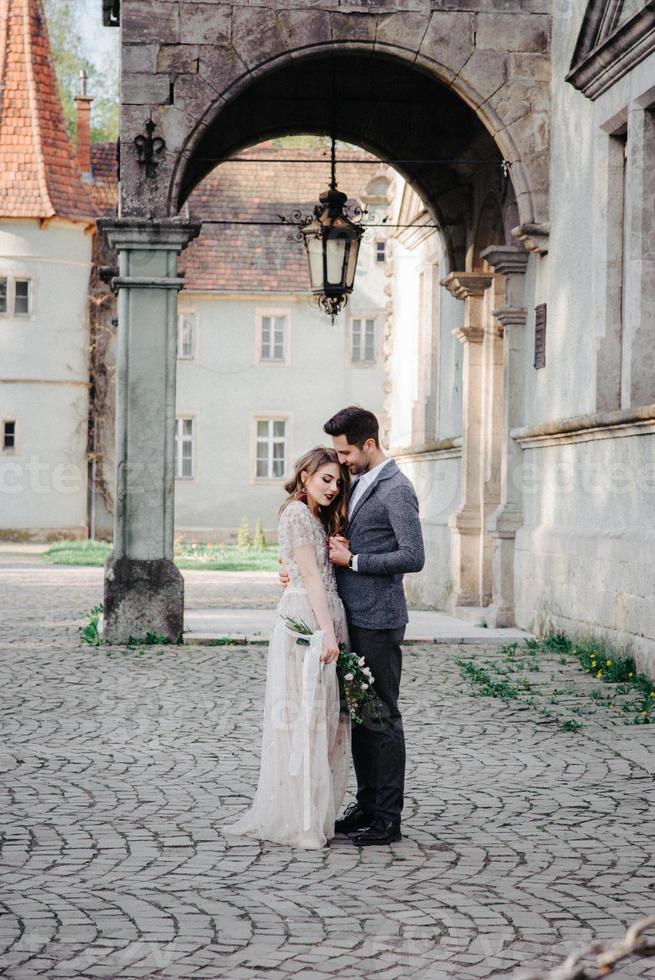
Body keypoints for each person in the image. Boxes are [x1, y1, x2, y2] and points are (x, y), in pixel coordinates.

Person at [281, 406, 425, 846]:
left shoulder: (397, 489)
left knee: (382, 715)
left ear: (368, 445)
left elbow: (413, 556)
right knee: (359, 717)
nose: (340, 463)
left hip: (379, 620)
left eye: (346, 453)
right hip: (350, 617)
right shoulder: (360, 483)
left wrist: (354, 560)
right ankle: (366, 803)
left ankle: (387, 818)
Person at [223, 447, 352, 849]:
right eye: (325, 479)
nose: (332, 488)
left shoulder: (317, 516)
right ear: (306, 476)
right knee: (304, 719)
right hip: (306, 621)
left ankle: (315, 812)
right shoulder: (297, 514)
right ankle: (301, 820)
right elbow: (310, 576)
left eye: (337, 482)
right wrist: (328, 634)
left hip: (324, 615)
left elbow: (307, 568)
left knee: (324, 720)